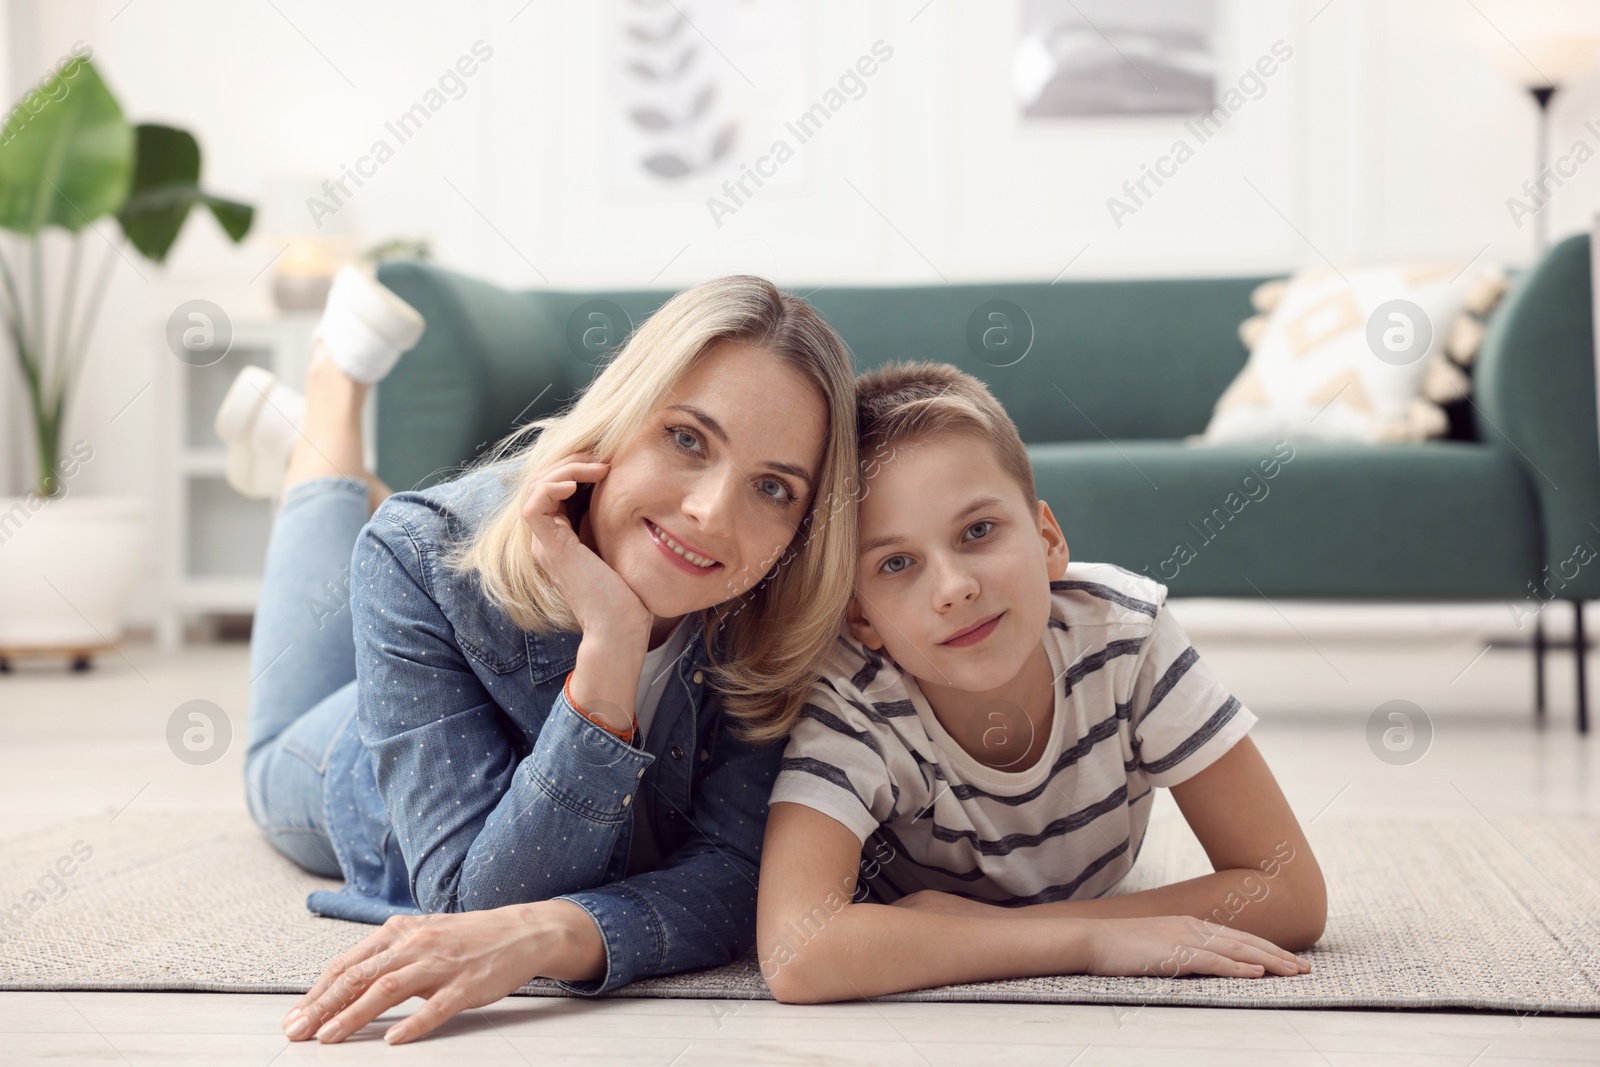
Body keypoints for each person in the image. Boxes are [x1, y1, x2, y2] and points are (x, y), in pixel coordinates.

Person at [224, 269, 860, 1043]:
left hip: (442, 587)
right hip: (351, 757)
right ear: (620, 417)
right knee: (266, 758)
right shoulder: (417, 553)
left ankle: (331, 460)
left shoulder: (779, 609)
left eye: (773, 489)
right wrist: (611, 649)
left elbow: (736, 880)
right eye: (687, 438)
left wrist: (565, 932)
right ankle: (328, 401)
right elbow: (475, 907)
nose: (711, 512)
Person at [757, 361, 1327, 1003]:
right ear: (861, 617)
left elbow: (1291, 890)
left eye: (978, 531)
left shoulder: (1125, 635)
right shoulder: (853, 699)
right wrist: (1087, 943)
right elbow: (796, 951)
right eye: (896, 563)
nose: (955, 587)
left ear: (1048, 538)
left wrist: (1016, 929)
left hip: (965, 927)